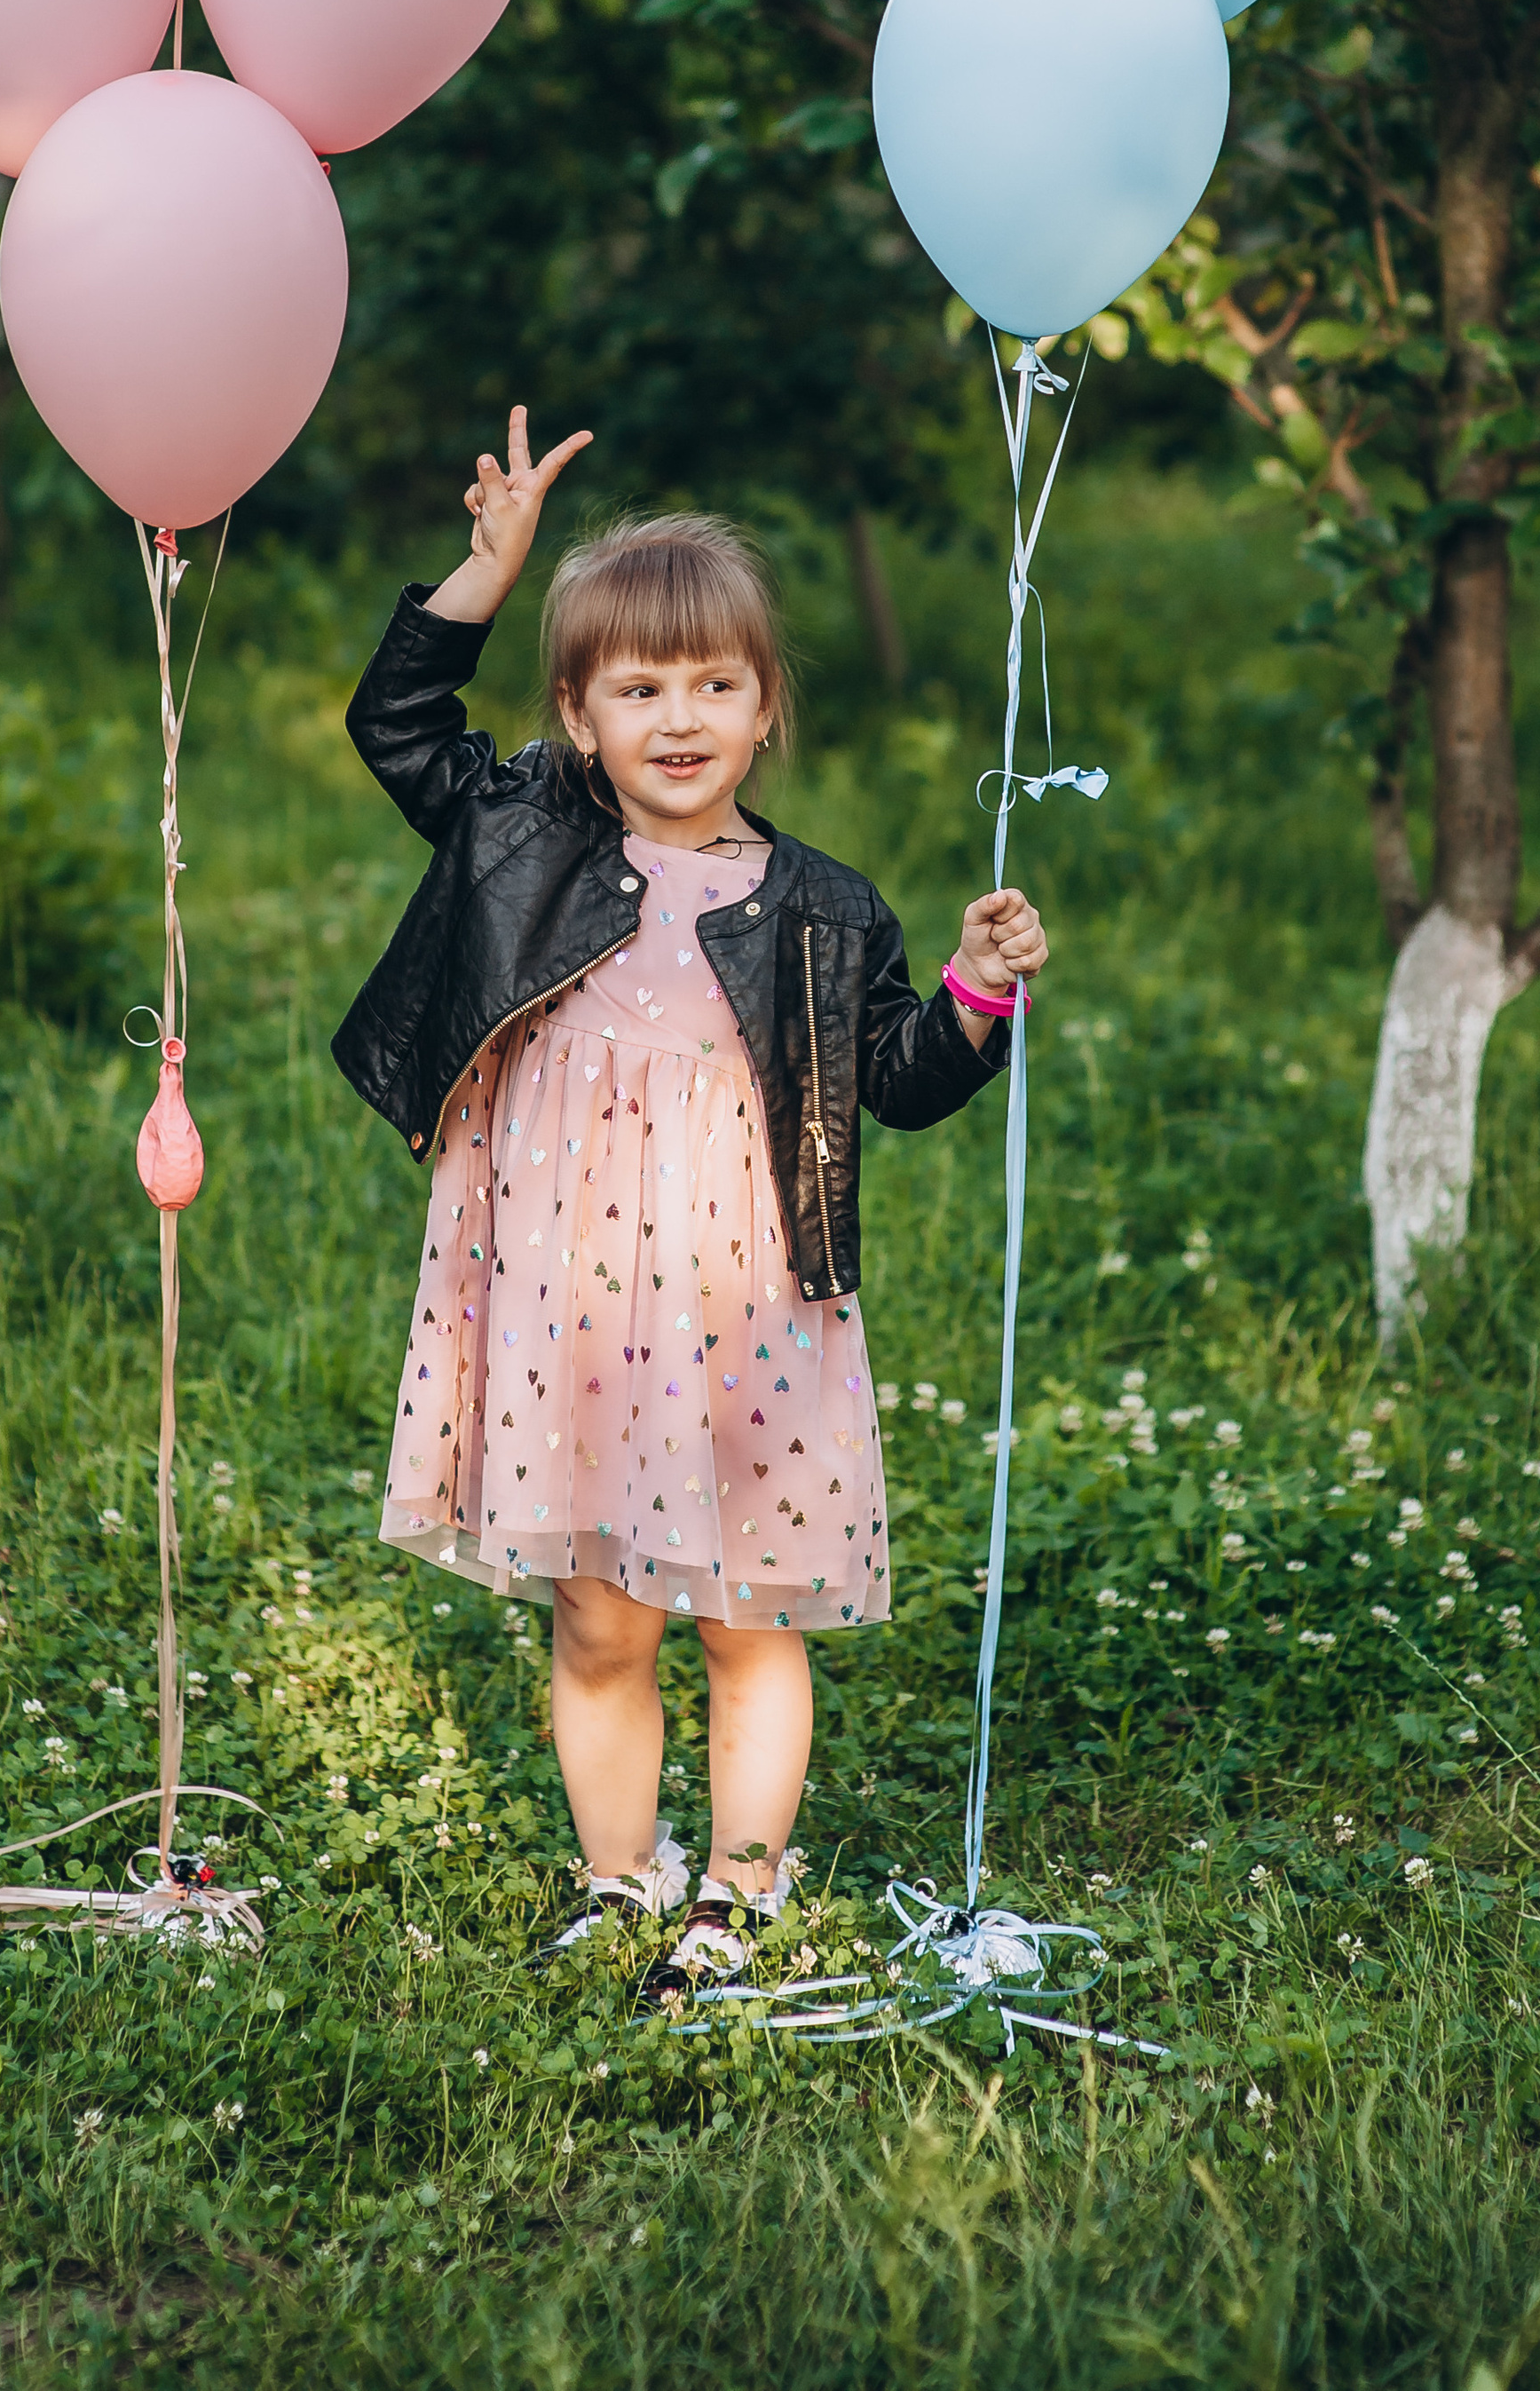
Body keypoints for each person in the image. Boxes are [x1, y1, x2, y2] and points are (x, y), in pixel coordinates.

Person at [333, 409, 1048, 1995]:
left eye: (714, 685)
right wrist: (485, 569)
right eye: (637, 690)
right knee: (597, 1616)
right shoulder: (520, 830)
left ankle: (739, 1889)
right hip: (562, 1306)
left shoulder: (820, 907)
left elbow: (904, 1079)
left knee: (744, 1615)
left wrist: (976, 992)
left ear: (766, 708)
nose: (678, 719)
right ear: (577, 718)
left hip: (750, 1304)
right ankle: (619, 1875)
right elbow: (396, 725)